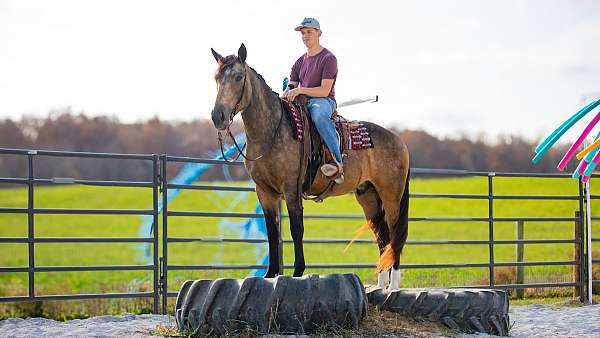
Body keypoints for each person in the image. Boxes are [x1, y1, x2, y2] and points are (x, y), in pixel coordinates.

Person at [281, 17, 344, 184]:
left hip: (323, 101)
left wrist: (300, 90)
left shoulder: (329, 58)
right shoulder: (299, 62)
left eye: (309, 32)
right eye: (303, 33)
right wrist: (281, 98)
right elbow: (291, 86)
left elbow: (324, 90)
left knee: (318, 116)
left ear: (319, 33)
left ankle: (337, 162)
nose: (305, 36)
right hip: (302, 100)